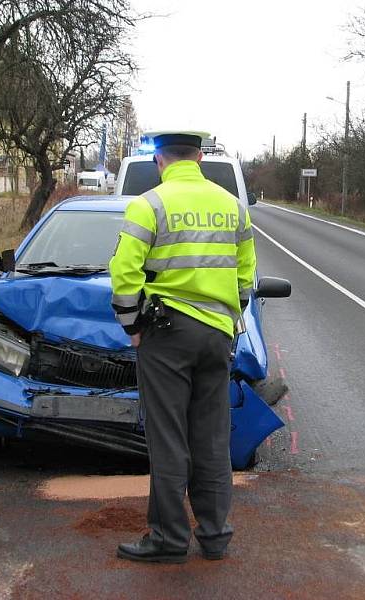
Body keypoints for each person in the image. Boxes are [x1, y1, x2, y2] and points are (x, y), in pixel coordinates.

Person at [109, 130, 256, 563]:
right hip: (217, 335)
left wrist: (131, 324)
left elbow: (124, 272)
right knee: (211, 437)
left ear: (160, 160)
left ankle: (169, 539)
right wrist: (230, 318)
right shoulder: (230, 205)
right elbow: (246, 273)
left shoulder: (149, 204)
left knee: (168, 436)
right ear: (199, 157)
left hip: (167, 334)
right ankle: (215, 535)